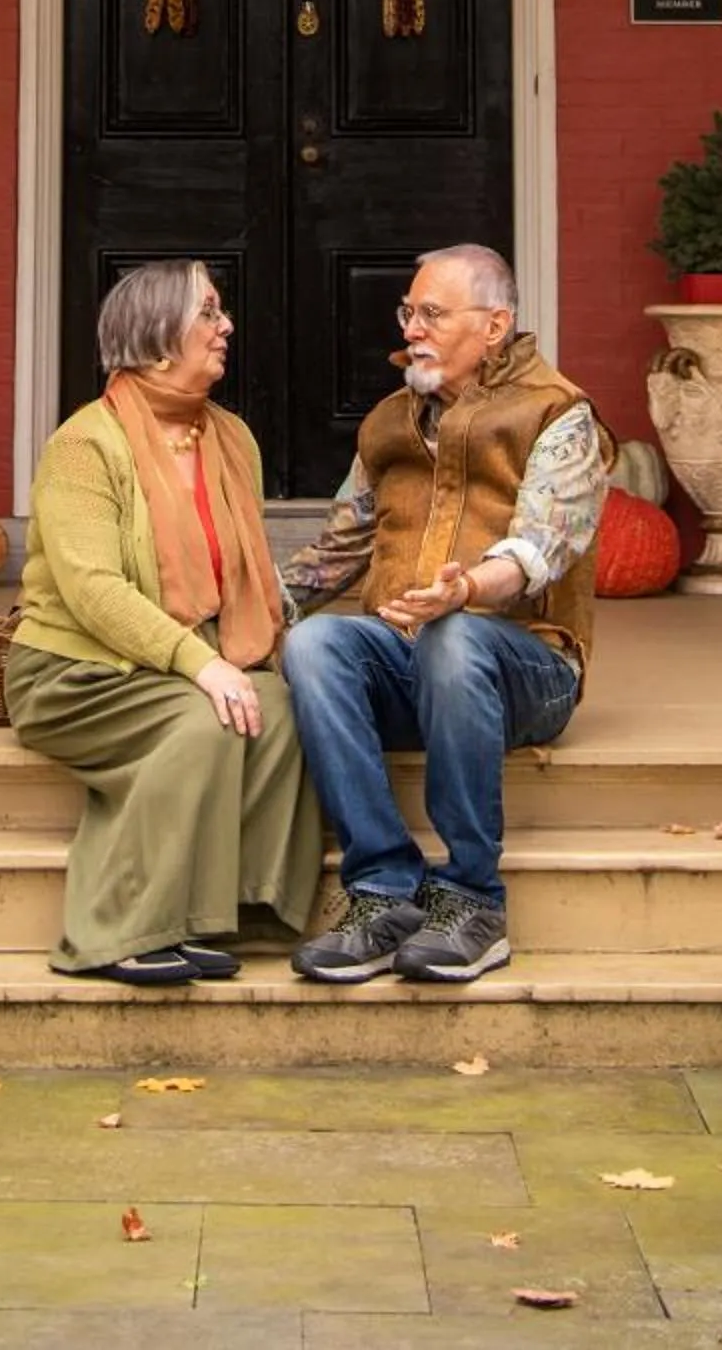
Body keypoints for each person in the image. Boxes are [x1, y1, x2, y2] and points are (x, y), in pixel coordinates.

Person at [280, 242, 613, 985]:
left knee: (455, 636)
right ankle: (383, 892)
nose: (411, 329)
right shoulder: (388, 423)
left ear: (494, 326)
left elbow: (540, 549)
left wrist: (466, 591)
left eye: (432, 313)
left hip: (527, 669)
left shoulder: (559, 414)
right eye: (408, 312)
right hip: (411, 661)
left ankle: (472, 899)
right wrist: (224, 616)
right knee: (315, 645)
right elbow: (335, 552)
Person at [4, 258, 321, 985]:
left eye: (220, 311)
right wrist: (202, 665)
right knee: (206, 721)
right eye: (208, 312)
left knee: (278, 707)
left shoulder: (232, 437)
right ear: (154, 339)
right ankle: (122, 928)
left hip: (187, 655)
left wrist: (251, 650)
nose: (226, 325)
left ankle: (227, 908)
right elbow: (94, 592)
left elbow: (244, 570)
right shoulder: (85, 445)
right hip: (78, 669)